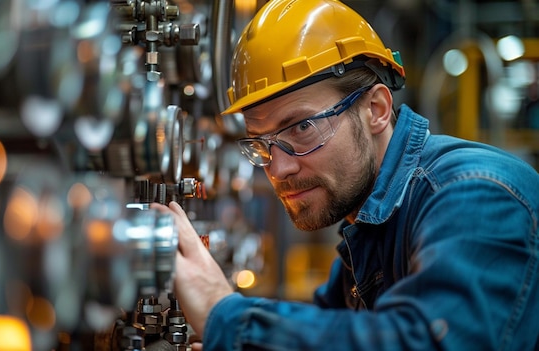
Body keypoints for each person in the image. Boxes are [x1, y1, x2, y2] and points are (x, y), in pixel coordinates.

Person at [153, 0, 539, 349]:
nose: (279, 168)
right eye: (262, 143)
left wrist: (226, 315)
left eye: (302, 128)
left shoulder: (475, 195)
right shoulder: (370, 232)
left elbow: (425, 341)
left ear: (376, 109)